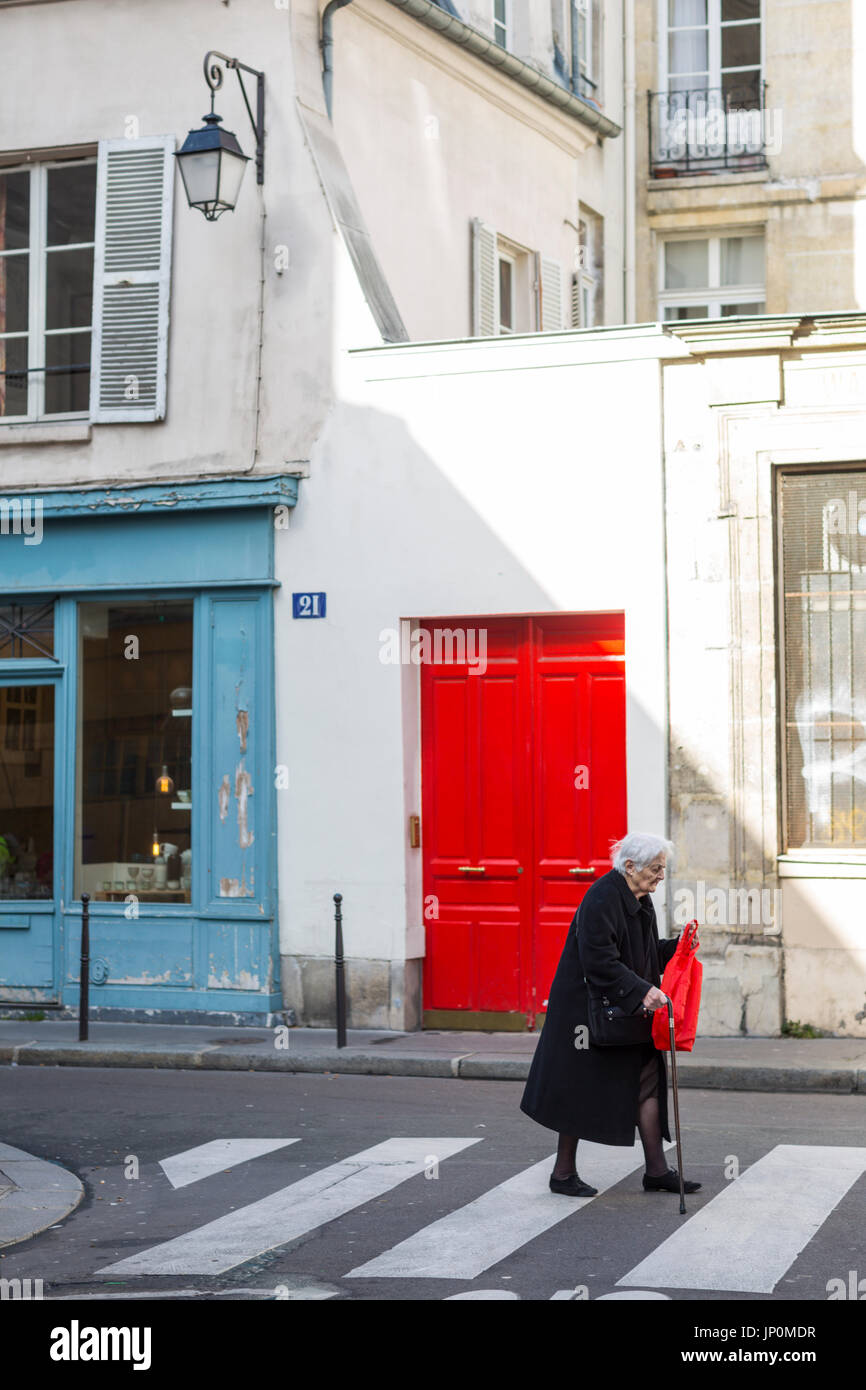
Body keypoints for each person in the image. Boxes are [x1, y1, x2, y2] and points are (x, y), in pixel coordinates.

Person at [519, 832, 701, 1197]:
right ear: (630, 866)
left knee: (648, 1079)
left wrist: (676, 948)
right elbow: (599, 961)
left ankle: (656, 1170)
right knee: (579, 1087)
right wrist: (642, 990)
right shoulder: (601, 898)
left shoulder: (640, 897)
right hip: (584, 1013)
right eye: (656, 868)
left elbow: (644, 951)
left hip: (622, 1007)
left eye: (662, 869)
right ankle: (562, 1173)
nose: (661, 876)